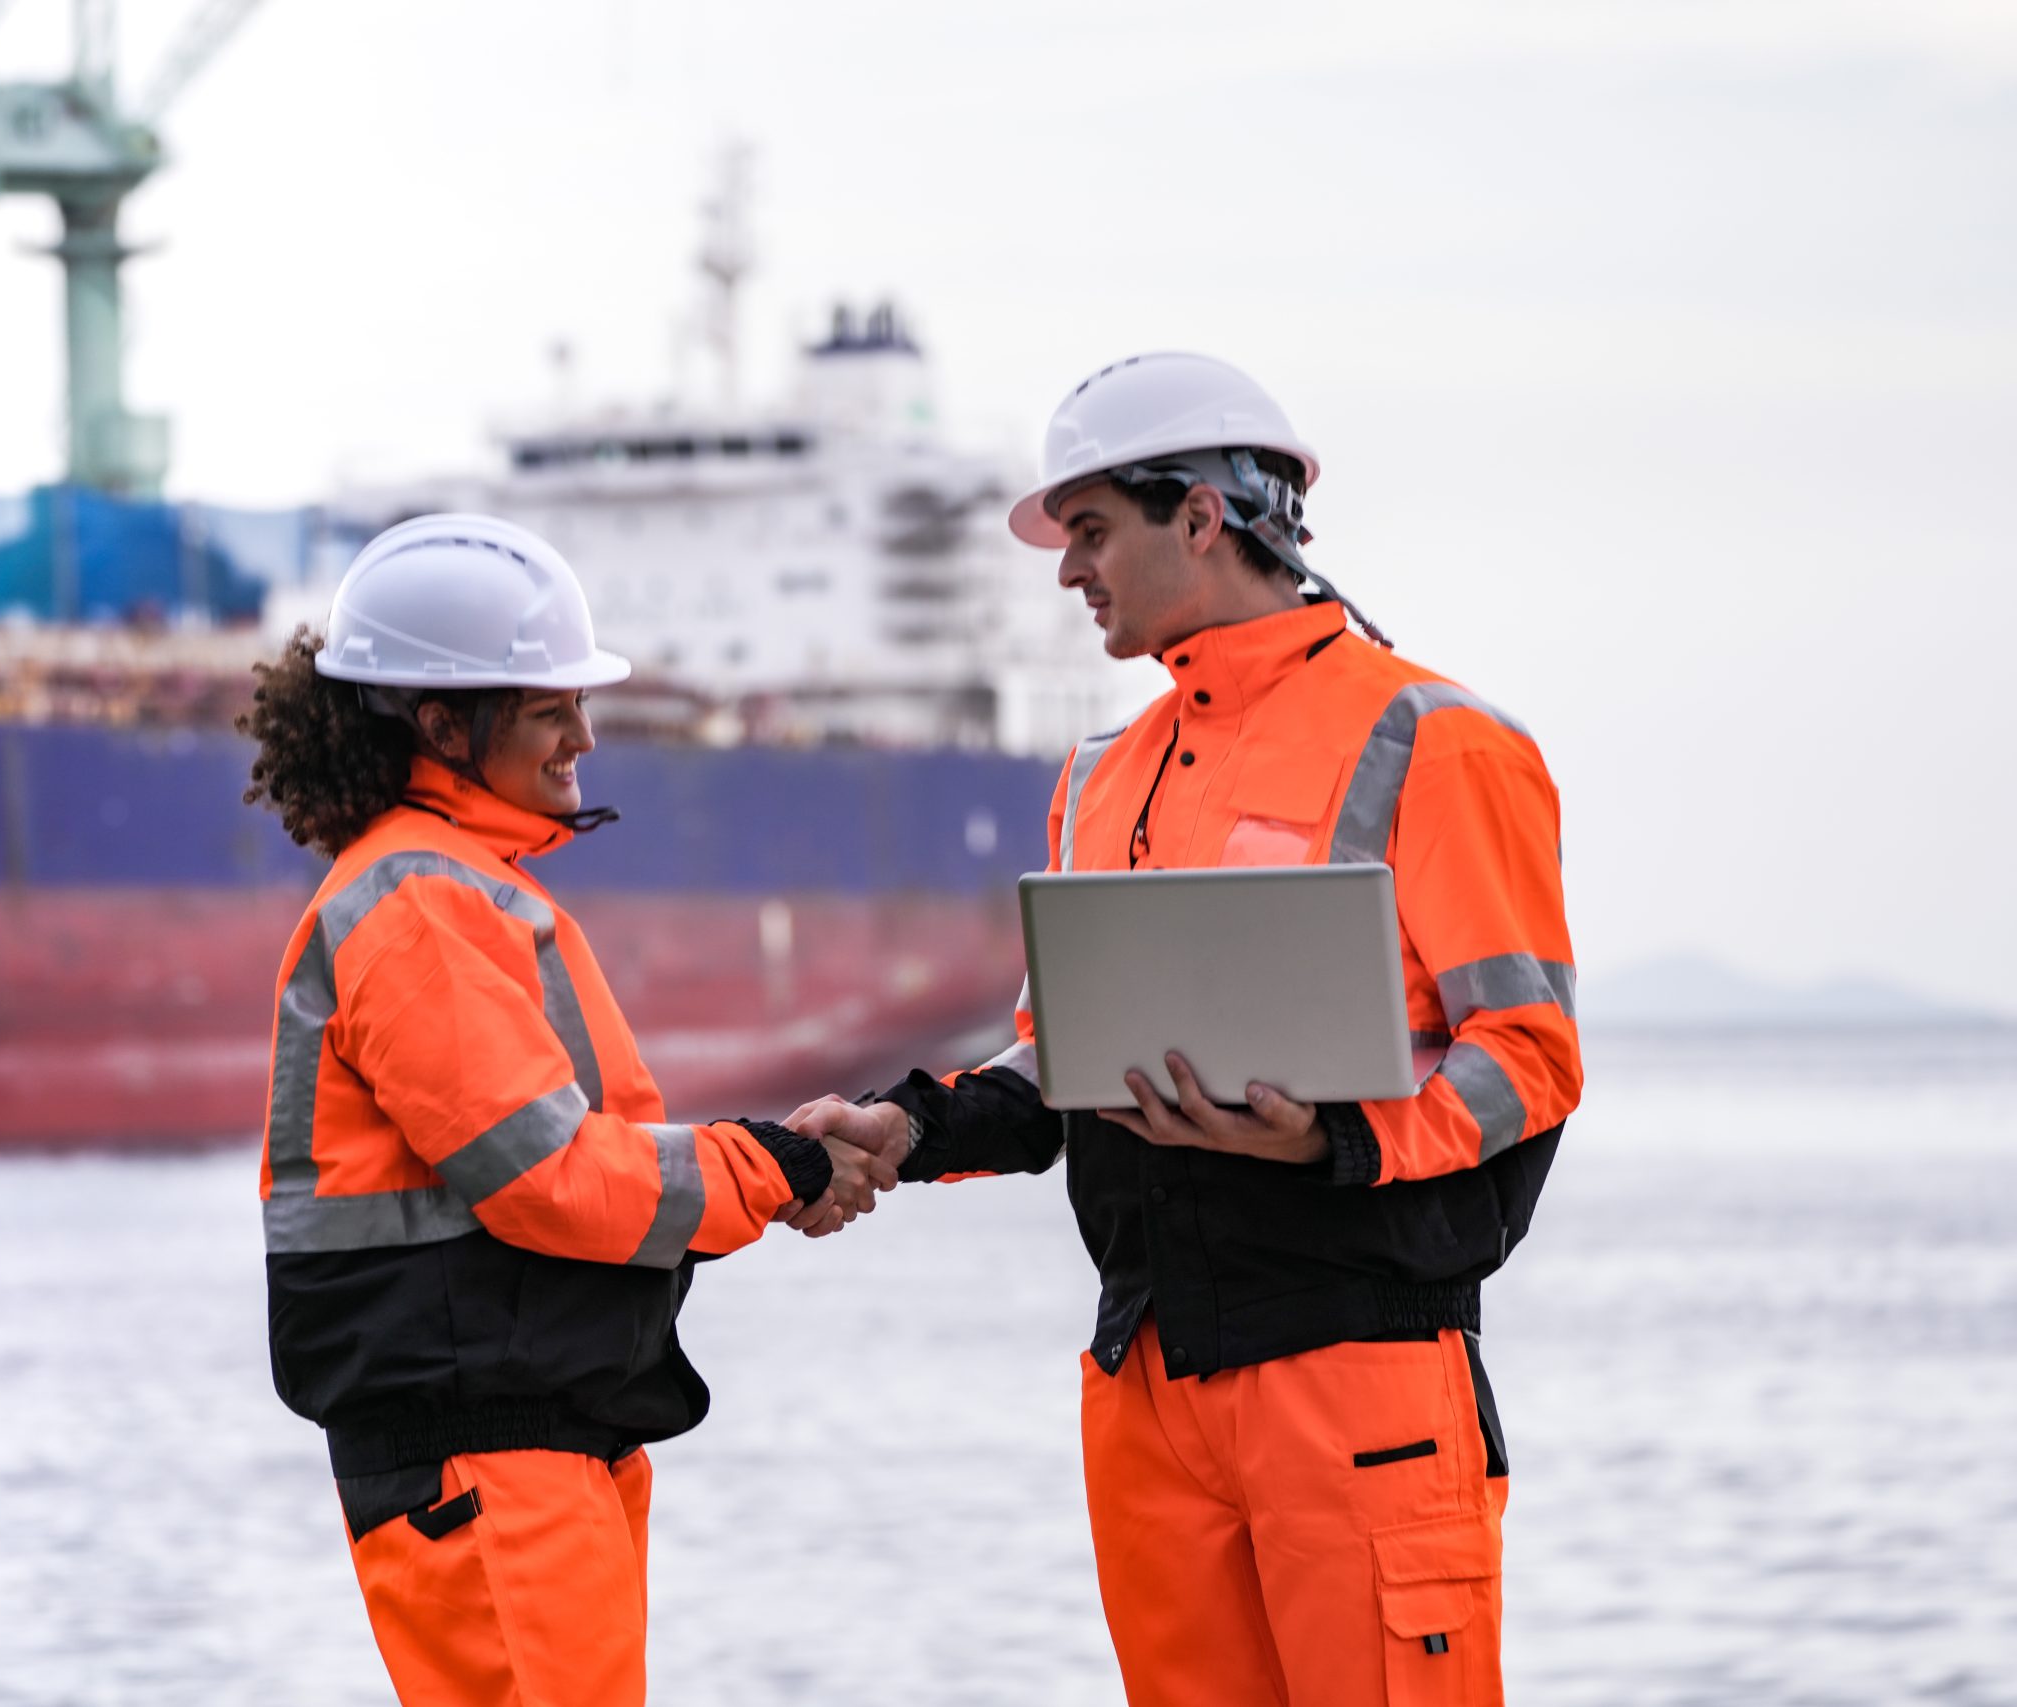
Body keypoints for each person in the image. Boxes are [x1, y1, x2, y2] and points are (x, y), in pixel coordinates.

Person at [791, 354, 1581, 1705]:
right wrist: (909, 1125)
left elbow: (1528, 1058)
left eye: (1090, 530)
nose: (1066, 571)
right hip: (1147, 1389)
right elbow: (1062, 1058)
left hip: (1358, 1381)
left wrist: (1331, 1136)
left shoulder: (1436, 741)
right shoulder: (1102, 774)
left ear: (1203, 516)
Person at [238, 512, 887, 1707]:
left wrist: (776, 1158)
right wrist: (779, 1169)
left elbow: (578, 1159)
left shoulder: (453, 888)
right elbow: (544, 1178)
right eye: (549, 709)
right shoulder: (421, 904)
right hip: (487, 1466)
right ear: (442, 725)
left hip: (522, 1452)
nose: (585, 734)